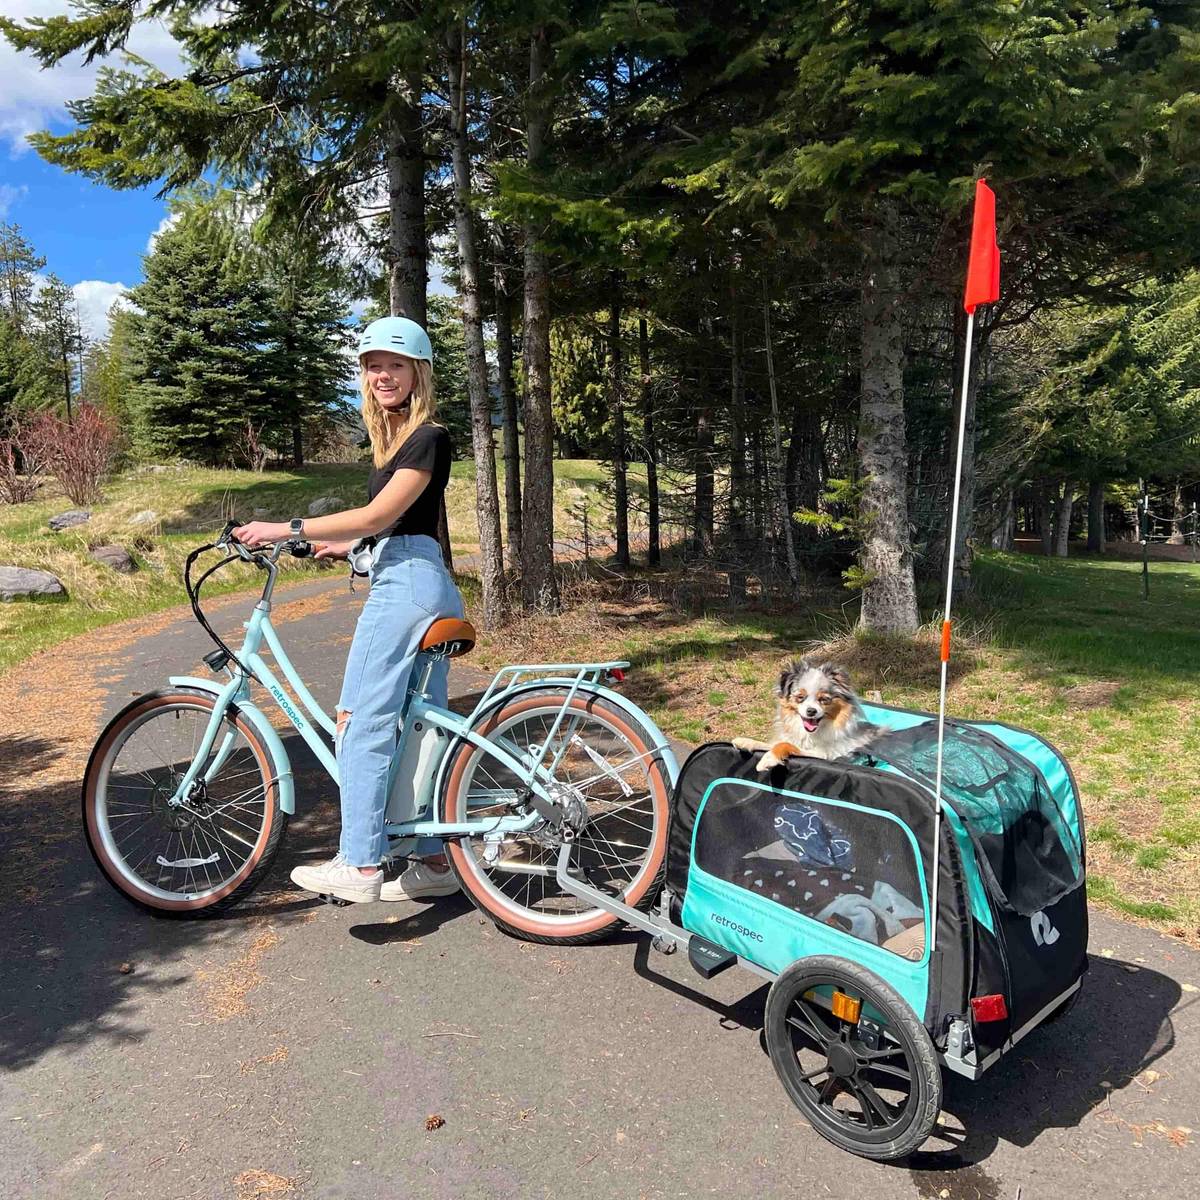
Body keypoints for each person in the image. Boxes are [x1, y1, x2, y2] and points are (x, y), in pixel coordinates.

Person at [233, 316, 465, 904]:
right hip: (423, 578)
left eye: (395, 364)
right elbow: (391, 527)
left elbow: (374, 518)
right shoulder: (399, 445)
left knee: (361, 721)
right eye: (372, 365)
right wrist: (340, 546)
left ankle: (360, 863)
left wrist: (282, 526)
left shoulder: (427, 437)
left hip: (407, 587)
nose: (383, 375)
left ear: (419, 371)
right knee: (420, 728)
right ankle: (434, 859)